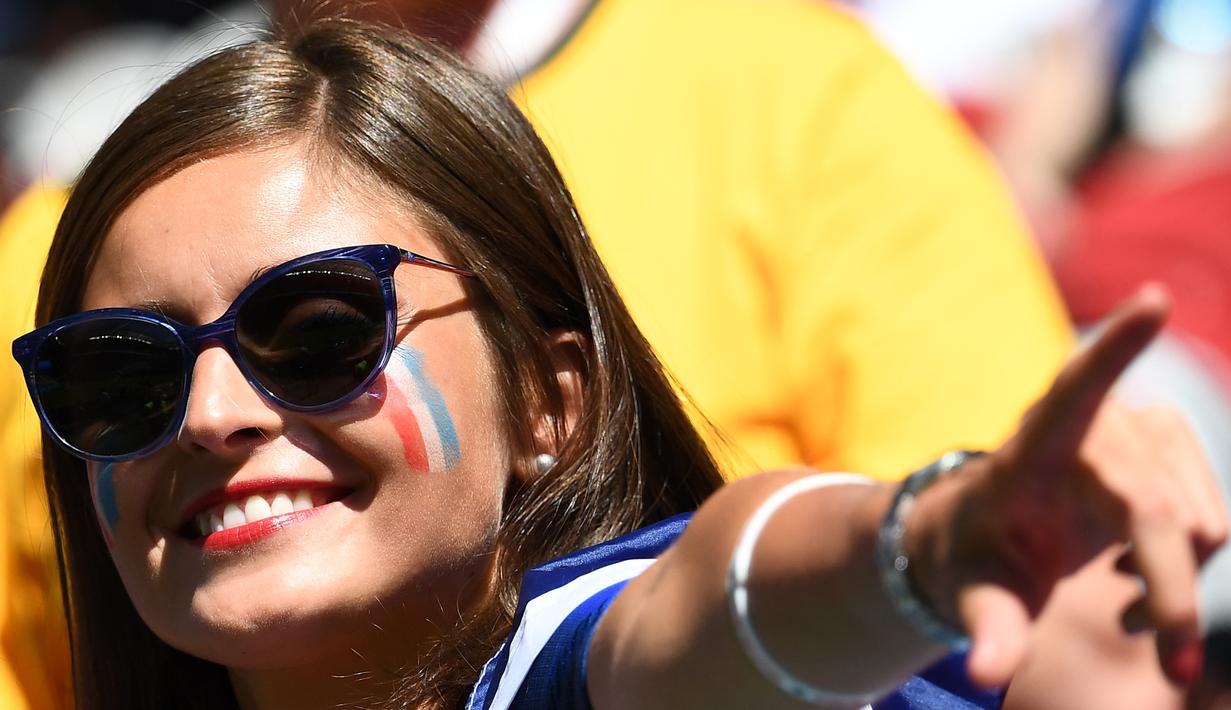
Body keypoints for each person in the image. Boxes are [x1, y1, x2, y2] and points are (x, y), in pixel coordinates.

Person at [13, 20, 1224, 709]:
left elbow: (711, 603)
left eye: (318, 332)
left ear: (552, 401)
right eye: (119, 376)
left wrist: (924, 537)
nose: (211, 411)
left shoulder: (569, 658)